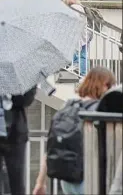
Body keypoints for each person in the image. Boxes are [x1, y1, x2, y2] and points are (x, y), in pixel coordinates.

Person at [33, 67, 116, 195]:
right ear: (105, 85)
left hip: (67, 180)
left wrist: (40, 182)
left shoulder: (68, 106)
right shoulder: (101, 110)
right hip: (90, 180)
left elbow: (50, 147)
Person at [61, 0, 93, 76]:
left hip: (82, 34)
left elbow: (74, 20)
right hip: (83, 33)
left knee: (81, 53)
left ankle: (82, 73)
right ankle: (80, 69)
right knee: (80, 52)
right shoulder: (76, 6)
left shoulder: (75, 7)